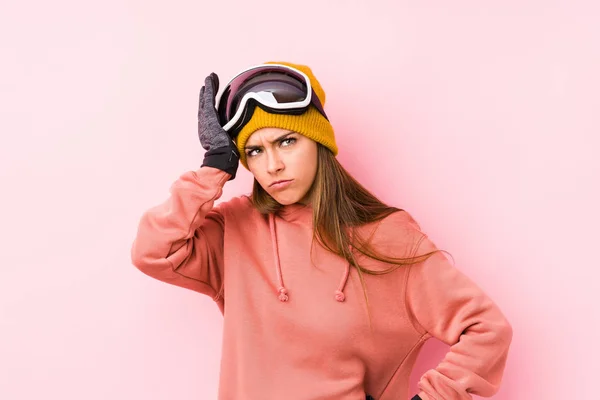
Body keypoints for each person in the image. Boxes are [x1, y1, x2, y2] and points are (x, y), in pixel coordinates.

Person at [130, 61, 513, 400]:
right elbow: (153, 251)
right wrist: (214, 167)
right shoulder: (234, 229)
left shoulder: (387, 236)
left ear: (318, 143)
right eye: (255, 151)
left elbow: (486, 328)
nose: (273, 165)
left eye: (287, 141)